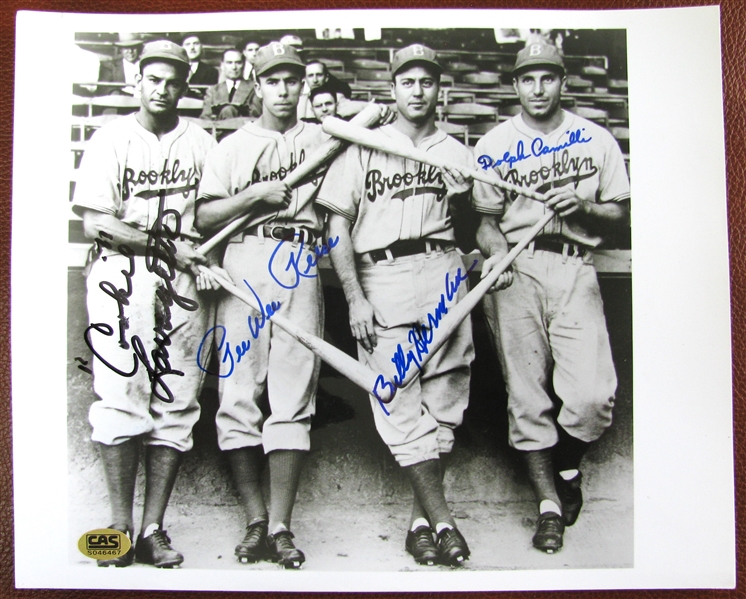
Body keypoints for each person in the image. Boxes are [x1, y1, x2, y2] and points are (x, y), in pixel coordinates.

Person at [317, 44, 500, 567]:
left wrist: (463, 201)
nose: (417, 91)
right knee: (396, 397)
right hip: (383, 275)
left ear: (440, 89)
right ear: (392, 88)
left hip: (444, 269)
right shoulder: (364, 144)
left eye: (427, 82)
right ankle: (444, 521)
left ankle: (420, 522)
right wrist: (353, 296)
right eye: (407, 82)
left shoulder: (457, 151)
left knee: (445, 399)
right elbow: (336, 228)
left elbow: (473, 229)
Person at [472, 42, 630, 553]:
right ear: (515, 85)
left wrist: (584, 205)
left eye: (547, 78)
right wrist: (496, 253)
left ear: (563, 82)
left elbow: (619, 216)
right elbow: (484, 220)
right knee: (526, 396)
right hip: (518, 266)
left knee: (592, 395)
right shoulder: (495, 143)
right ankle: (547, 507)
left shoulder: (595, 138)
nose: (537, 89)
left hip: (574, 265)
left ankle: (566, 464)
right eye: (527, 79)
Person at [73, 40, 219, 568]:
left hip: (182, 281)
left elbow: (212, 215)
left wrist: (206, 256)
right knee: (119, 396)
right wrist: (163, 245)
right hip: (122, 275)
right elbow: (96, 222)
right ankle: (119, 526)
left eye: (172, 80)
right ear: (137, 80)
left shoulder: (201, 141)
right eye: (153, 79)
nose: (162, 88)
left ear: (186, 85)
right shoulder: (112, 137)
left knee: (176, 402)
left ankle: (154, 528)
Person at [195, 41, 334, 569]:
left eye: (291, 80)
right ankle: (255, 520)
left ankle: (281, 525)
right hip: (246, 259)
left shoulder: (325, 139)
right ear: (257, 83)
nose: (282, 89)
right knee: (238, 392)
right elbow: (206, 218)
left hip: (300, 259)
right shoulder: (231, 145)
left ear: (304, 86)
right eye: (272, 80)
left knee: (293, 394)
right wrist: (254, 197)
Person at [200, 48, 261, 121]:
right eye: (229, 63)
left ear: (244, 65)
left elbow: (256, 115)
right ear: (222, 66)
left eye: (238, 63)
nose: (234, 67)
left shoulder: (254, 88)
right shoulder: (213, 91)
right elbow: (205, 118)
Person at [181, 33, 219, 98]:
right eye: (187, 44)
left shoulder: (211, 72)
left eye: (196, 44)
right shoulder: (175, 69)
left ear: (201, 47)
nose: (192, 48)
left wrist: (200, 95)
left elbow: (212, 97)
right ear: (182, 48)